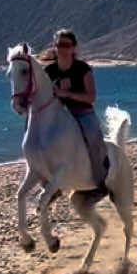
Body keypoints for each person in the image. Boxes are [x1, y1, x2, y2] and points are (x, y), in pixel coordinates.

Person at [43, 29, 108, 193]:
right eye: (59, 45)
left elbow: (91, 97)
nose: (62, 49)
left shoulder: (83, 69)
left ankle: (101, 180)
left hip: (82, 112)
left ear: (74, 48)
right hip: (58, 114)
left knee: (94, 138)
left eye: (66, 45)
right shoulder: (48, 72)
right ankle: (47, 182)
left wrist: (67, 94)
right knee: (37, 139)